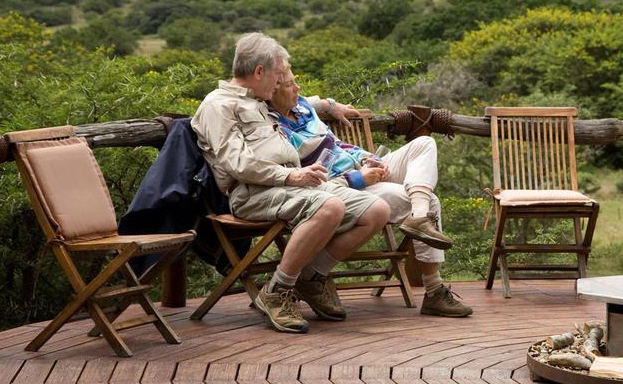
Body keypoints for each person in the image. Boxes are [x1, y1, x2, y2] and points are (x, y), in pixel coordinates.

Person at [192, 32, 391, 333]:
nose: (280, 82)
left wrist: (328, 104)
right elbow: (238, 164)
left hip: (291, 186)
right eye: (278, 74)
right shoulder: (218, 106)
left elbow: (301, 101)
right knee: (330, 207)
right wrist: (291, 175)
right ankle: (277, 291)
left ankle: (310, 277)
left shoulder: (258, 99)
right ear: (259, 72)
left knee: (376, 210)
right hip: (253, 193)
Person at [269, 68, 473, 317]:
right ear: (272, 91)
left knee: (424, 143)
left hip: (364, 171)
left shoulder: (301, 106)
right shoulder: (274, 130)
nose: (298, 89)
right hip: (343, 187)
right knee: (431, 200)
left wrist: (368, 157)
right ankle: (433, 290)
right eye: (291, 85)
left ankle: (418, 216)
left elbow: (337, 143)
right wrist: (357, 178)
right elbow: (314, 184)